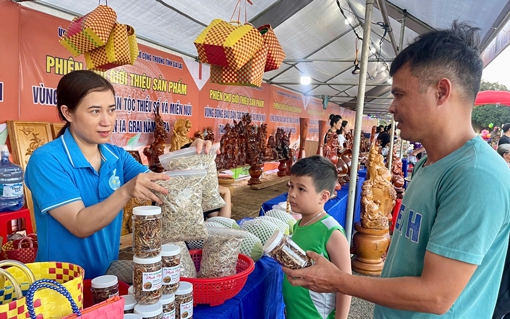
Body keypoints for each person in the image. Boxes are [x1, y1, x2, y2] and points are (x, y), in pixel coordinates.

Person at [284, 22, 510, 318]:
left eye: (400, 95)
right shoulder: (426, 165)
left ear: (441, 92)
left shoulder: (475, 176)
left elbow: (436, 296)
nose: (391, 107)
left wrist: (339, 280)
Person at [25, 70, 212, 279]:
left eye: (111, 110)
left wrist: (193, 154)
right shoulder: (47, 160)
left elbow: (164, 183)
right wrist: (125, 192)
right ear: (68, 113)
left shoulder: (116, 156)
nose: (107, 121)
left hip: (105, 276)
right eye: (95, 111)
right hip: (60, 283)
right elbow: (79, 224)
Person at [283, 155, 351, 319]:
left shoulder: (331, 232)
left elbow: (346, 282)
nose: (292, 194)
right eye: (291, 186)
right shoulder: (298, 224)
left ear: (324, 197)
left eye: (301, 189)